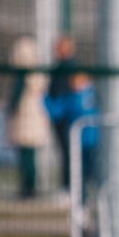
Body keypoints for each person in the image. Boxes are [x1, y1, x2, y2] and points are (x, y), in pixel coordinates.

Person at [6, 36, 51, 199]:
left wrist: (10, 109)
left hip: (25, 118)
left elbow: (16, 99)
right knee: (30, 155)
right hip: (36, 117)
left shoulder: (24, 75)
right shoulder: (39, 73)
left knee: (27, 155)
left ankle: (28, 188)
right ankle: (30, 187)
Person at [45, 66, 98, 198]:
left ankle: (84, 197)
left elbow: (56, 110)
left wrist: (43, 98)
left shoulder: (75, 98)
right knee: (85, 172)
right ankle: (85, 197)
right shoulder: (91, 95)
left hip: (83, 142)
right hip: (89, 141)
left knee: (82, 171)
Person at [48, 35, 80, 195]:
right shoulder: (58, 68)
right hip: (59, 115)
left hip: (67, 116)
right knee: (64, 152)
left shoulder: (71, 68)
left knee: (70, 152)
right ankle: (67, 186)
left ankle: (70, 187)